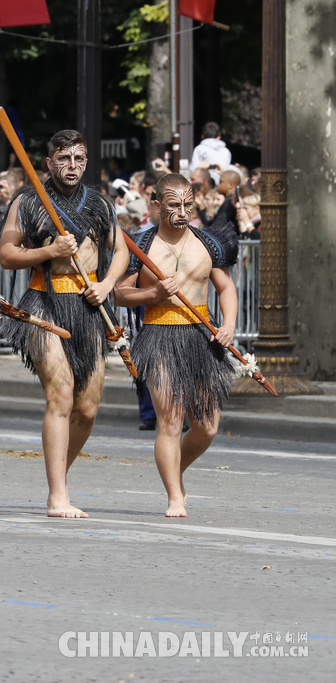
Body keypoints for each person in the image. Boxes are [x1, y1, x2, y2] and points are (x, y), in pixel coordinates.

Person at [0, 130, 129, 518]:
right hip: (44, 303)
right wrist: (50, 250)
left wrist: (106, 284)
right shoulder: (28, 201)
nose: (72, 166)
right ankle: (58, 495)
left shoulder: (101, 204)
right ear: (49, 162)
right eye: (64, 159)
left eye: (79, 158)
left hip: (90, 306)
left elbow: (120, 251)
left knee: (87, 408)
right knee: (61, 394)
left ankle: (59, 478)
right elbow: (7, 253)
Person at [113, 174, 238, 517]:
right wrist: (152, 293)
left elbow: (225, 288)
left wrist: (227, 325)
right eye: (173, 205)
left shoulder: (207, 243)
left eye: (187, 204)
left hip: (201, 334)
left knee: (207, 426)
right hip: (158, 334)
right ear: (156, 205)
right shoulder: (141, 246)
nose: (182, 212)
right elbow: (120, 293)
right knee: (170, 421)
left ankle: (175, 471)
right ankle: (174, 497)